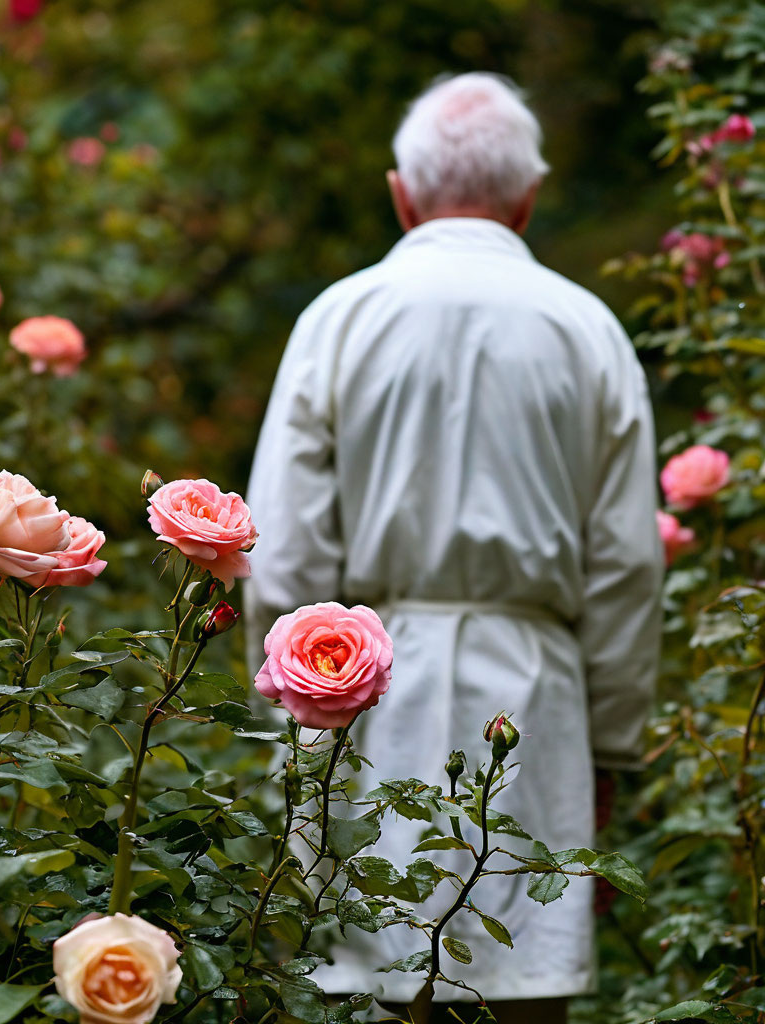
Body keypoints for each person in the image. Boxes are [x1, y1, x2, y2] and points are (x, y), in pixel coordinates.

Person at [243, 73, 662, 1024]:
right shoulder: (586, 328)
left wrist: (289, 720)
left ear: (401, 194)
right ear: (527, 197)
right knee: (517, 997)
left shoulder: (338, 319)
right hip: (537, 705)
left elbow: (290, 550)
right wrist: (609, 746)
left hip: (359, 693)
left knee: (369, 992)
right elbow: (628, 564)